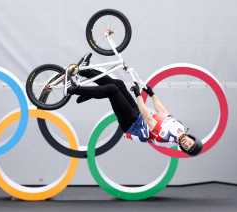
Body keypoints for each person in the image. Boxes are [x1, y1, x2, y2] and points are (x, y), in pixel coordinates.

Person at [66, 53, 203, 157]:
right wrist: (152, 94)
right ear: (192, 138)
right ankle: (85, 71)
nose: (186, 143)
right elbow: (163, 113)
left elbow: (148, 117)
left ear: (183, 149)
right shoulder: (180, 127)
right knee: (118, 84)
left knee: (112, 91)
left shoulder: (166, 136)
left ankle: (72, 89)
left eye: (186, 147)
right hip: (138, 118)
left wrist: (138, 95)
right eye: (189, 143)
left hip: (132, 125)